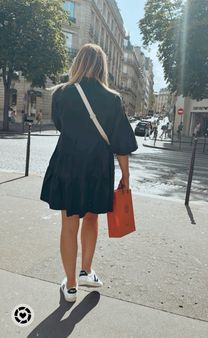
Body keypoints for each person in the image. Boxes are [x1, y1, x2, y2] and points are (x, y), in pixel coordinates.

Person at [40, 44, 138, 302]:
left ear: (78, 63)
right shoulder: (113, 98)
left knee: (69, 223)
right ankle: (86, 271)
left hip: (68, 163)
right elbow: (121, 143)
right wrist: (125, 177)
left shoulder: (62, 93)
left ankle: (70, 286)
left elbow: (60, 125)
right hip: (98, 165)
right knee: (92, 219)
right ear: (103, 66)